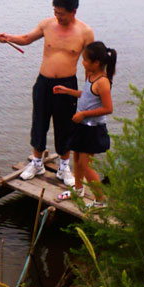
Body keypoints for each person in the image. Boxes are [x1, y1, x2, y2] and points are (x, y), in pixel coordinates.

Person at [0, 0, 94, 185]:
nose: (57, 16)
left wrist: (90, 91)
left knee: (65, 126)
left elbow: (90, 63)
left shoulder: (85, 32)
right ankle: (37, 163)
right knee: (39, 122)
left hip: (66, 85)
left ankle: (64, 167)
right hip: (44, 83)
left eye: (61, 13)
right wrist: (8, 38)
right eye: (55, 12)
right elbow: (26, 38)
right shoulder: (47, 24)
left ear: (73, 11)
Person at [53, 41, 117, 208]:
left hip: (93, 130)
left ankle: (100, 201)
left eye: (85, 60)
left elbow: (108, 108)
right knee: (76, 157)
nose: (82, 63)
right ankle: (78, 189)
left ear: (96, 63)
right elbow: (87, 95)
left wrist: (83, 114)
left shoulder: (103, 82)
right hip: (82, 126)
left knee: (85, 165)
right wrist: (67, 91)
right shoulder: (90, 75)